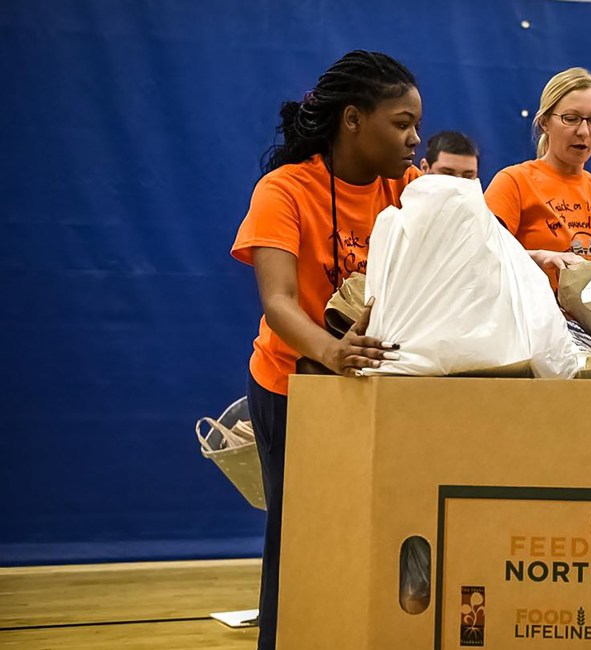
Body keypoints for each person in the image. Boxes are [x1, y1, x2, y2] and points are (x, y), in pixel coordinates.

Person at [230, 50, 421, 649]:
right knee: (301, 537)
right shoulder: (284, 190)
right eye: (401, 123)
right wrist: (332, 352)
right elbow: (279, 302)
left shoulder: (412, 190)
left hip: (378, 390)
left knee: (380, 532)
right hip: (293, 388)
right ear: (353, 120)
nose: (414, 138)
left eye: (416, 125)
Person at [484, 67, 591, 289]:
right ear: (544, 122)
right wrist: (539, 257)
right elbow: (482, 255)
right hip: (537, 310)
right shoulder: (514, 182)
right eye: (571, 119)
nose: (583, 131)